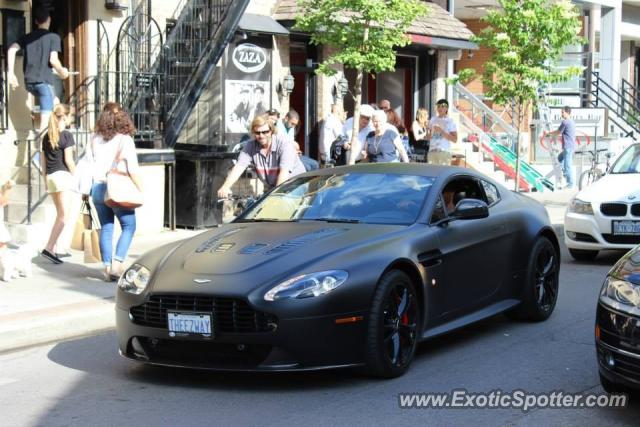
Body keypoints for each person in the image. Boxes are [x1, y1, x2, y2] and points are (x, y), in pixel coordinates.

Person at [86, 102, 142, 281]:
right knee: (129, 226)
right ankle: (117, 265)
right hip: (117, 188)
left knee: (106, 228)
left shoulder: (94, 138)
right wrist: (141, 188)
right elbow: (132, 169)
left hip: (97, 187)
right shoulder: (125, 140)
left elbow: (87, 164)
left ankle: (107, 267)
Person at [6, 7, 70, 132]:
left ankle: (59, 134)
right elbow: (53, 60)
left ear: (35, 21)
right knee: (44, 126)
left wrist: (11, 73)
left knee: (56, 101)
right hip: (43, 84)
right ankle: (41, 150)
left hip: (29, 84)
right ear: (49, 20)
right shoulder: (53, 37)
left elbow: (11, 49)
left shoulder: (28, 37)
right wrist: (63, 72)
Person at [217, 115, 306, 198]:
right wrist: (225, 187)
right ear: (253, 132)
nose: (261, 136)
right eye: (257, 133)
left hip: (295, 185)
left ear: (271, 131)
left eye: (265, 132)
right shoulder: (250, 146)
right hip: (274, 187)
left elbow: (284, 173)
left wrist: (276, 197)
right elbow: (239, 167)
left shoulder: (284, 144)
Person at [41, 104, 75, 264]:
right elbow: (69, 160)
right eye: (70, 116)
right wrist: (78, 176)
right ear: (65, 117)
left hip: (51, 177)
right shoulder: (66, 135)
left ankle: (53, 249)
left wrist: (45, 182)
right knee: (64, 216)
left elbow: (43, 163)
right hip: (62, 176)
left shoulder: (46, 136)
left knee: (59, 214)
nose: (71, 119)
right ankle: (49, 247)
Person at [549, 106, 576, 189]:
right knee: (559, 159)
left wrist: (548, 134)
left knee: (567, 166)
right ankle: (563, 172)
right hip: (570, 146)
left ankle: (570, 184)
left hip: (568, 147)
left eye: (562, 112)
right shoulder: (572, 121)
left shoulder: (565, 122)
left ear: (567, 113)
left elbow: (558, 132)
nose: (561, 114)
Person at [428, 98, 458, 166]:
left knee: (443, 174)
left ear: (447, 108)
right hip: (432, 151)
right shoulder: (433, 119)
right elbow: (428, 137)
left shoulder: (450, 121)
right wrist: (428, 131)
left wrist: (441, 131)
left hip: (444, 151)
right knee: (432, 174)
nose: (440, 108)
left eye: (442, 106)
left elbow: (455, 139)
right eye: (438, 106)